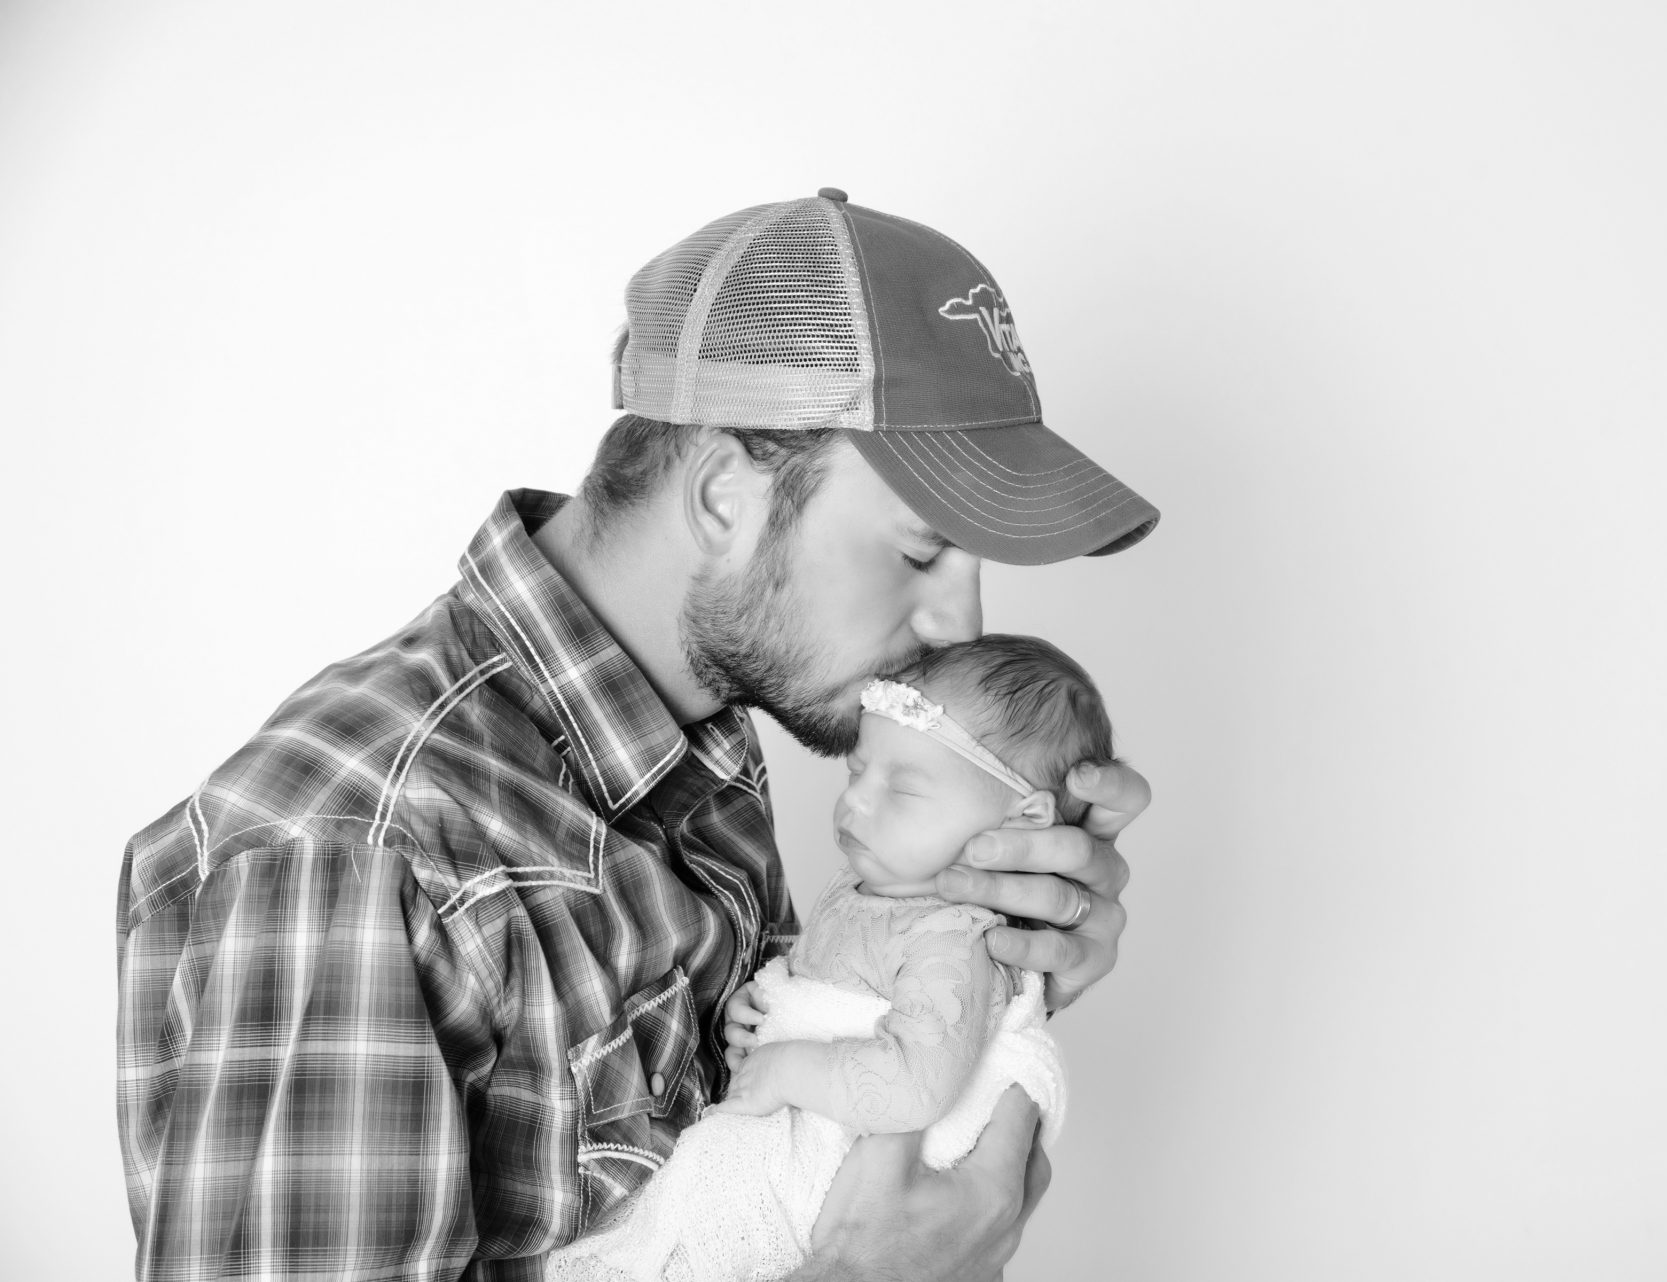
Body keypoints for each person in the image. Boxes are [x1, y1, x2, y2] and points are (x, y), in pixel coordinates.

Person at [114, 189, 1159, 1281]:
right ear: (723, 495)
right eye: (922, 551)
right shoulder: (355, 854)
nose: (963, 624)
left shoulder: (702, 740)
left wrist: (993, 953)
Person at [550, 635, 1109, 1281]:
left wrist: (784, 1067)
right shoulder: (871, 886)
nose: (856, 801)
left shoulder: (954, 935)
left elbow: (914, 1086)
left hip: (844, 1185)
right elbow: (828, 990)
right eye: (857, 770)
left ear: (1024, 818)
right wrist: (764, 1008)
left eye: (904, 790)